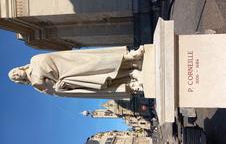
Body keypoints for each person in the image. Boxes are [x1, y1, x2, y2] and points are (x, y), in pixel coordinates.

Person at [8, 46, 144, 99]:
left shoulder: (33, 60)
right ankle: (130, 74)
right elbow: (55, 91)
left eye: (14, 71)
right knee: (98, 76)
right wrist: (60, 86)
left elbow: (55, 55)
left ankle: (131, 58)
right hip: (70, 76)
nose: (16, 74)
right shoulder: (35, 85)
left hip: (70, 61)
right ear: (18, 81)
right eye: (14, 77)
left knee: (98, 60)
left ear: (18, 68)